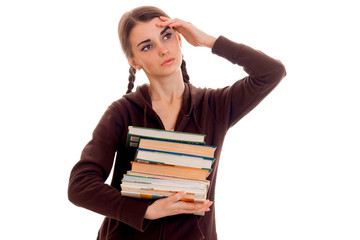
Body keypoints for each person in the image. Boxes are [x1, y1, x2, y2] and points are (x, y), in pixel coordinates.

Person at [68, 5, 286, 240]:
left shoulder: (214, 106)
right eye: (147, 46)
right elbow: (80, 185)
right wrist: (146, 211)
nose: (163, 49)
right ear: (135, 62)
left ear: (179, 38)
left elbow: (272, 72)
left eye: (167, 36)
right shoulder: (122, 112)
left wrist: (208, 41)